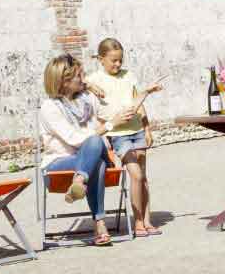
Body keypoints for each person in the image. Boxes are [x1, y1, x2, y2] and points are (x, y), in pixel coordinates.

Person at [39, 54, 134, 246]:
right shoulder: (49, 108)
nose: (84, 79)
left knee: (94, 144)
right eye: (79, 76)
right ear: (64, 81)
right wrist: (110, 125)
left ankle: (79, 181)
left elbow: (107, 105)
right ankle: (99, 223)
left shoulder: (88, 99)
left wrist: (88, 86)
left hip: (87, 162)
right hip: (60, 165)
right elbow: (74, 140)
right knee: (94, 153)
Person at [86, 38, 164, 237]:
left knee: (143, 177)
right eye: (113, 60)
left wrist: (147, 129)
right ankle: (137, 221)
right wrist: (89, 85)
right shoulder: (94, 78)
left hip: (137, 129)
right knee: (135, 174)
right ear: (101, 59)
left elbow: (139, 102)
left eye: (120, 60)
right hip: (117, 134)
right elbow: (75, 82)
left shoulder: (129, 75)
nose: (118, 64)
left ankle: (147, 220)